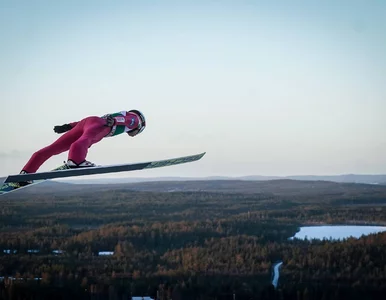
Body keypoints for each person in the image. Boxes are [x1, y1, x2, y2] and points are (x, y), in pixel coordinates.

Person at [18, 110, 146, 182]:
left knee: (53, 148)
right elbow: (131, 121)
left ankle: (27, 171)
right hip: (103, 125)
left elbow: (85, 123)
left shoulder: (123, 115)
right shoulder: (135, 120)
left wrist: (68, 126)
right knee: (85, 140)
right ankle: (76, 161)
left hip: (88, 121)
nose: (134, 135)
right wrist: (115, 121)